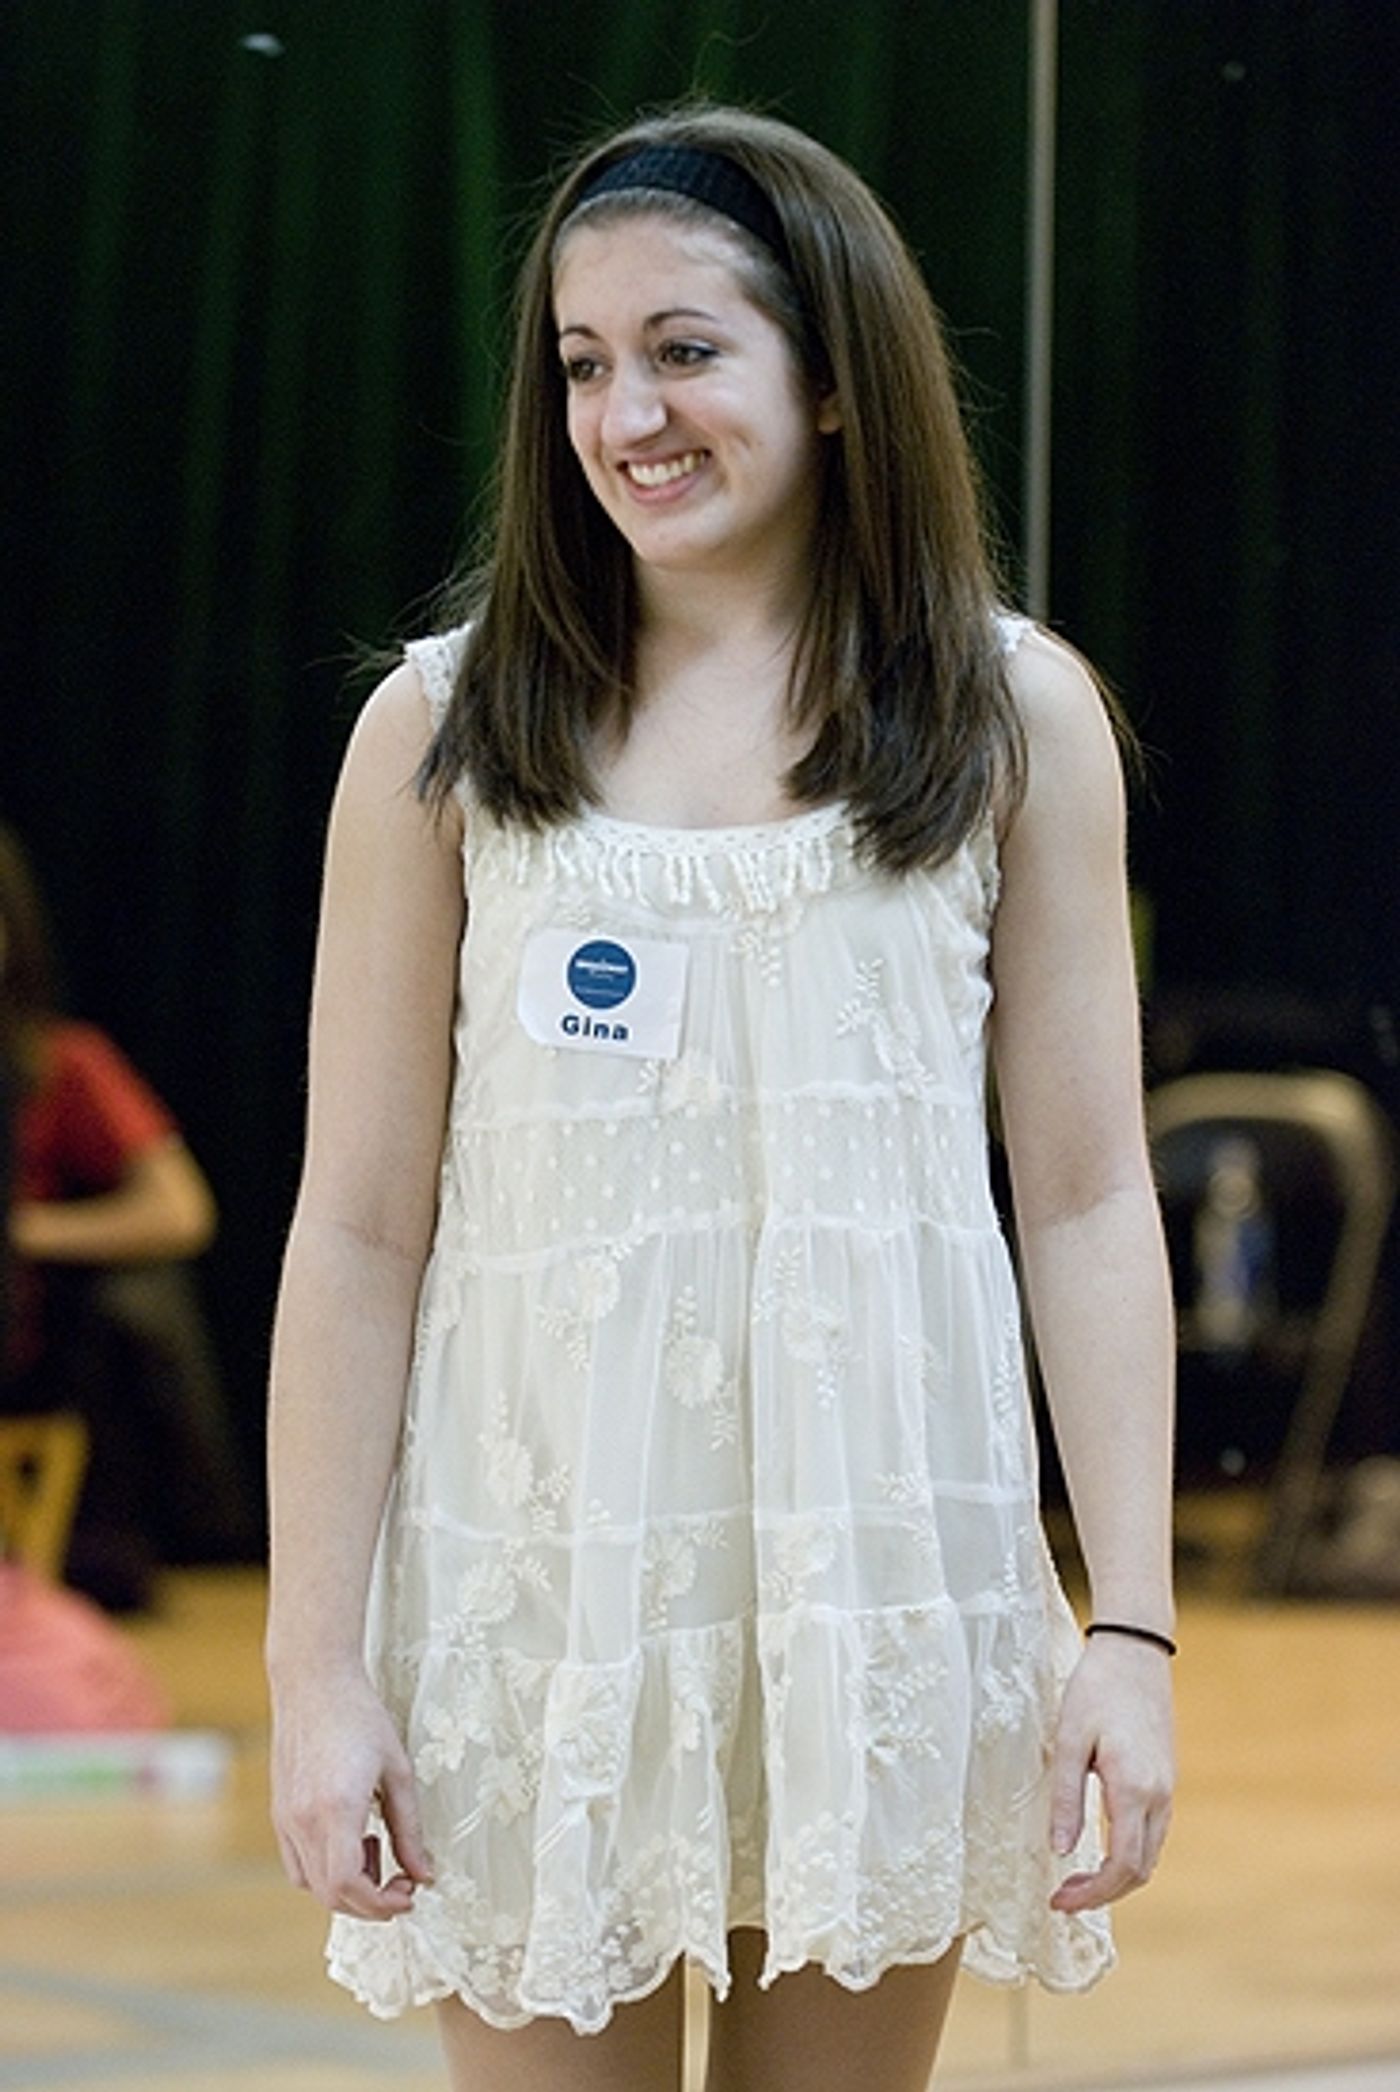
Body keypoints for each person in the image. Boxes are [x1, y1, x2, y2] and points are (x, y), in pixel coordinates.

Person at [266, 103, 1176, 2092]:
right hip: (541, 1603)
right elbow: (352, 1225)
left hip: (880, 1591)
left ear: (836, 375)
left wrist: (1132, 1624)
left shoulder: (1009, 713)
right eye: (584, 364)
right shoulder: (436, 728)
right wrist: (312, 1664)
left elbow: (1094, 1188)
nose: (625, 412)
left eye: (683, 348)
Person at [0, 822, 248, 1608]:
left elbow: (180, 1209)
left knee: (140, 1302)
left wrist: (26, 1234)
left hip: (23, 1339)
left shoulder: (61, 1064)